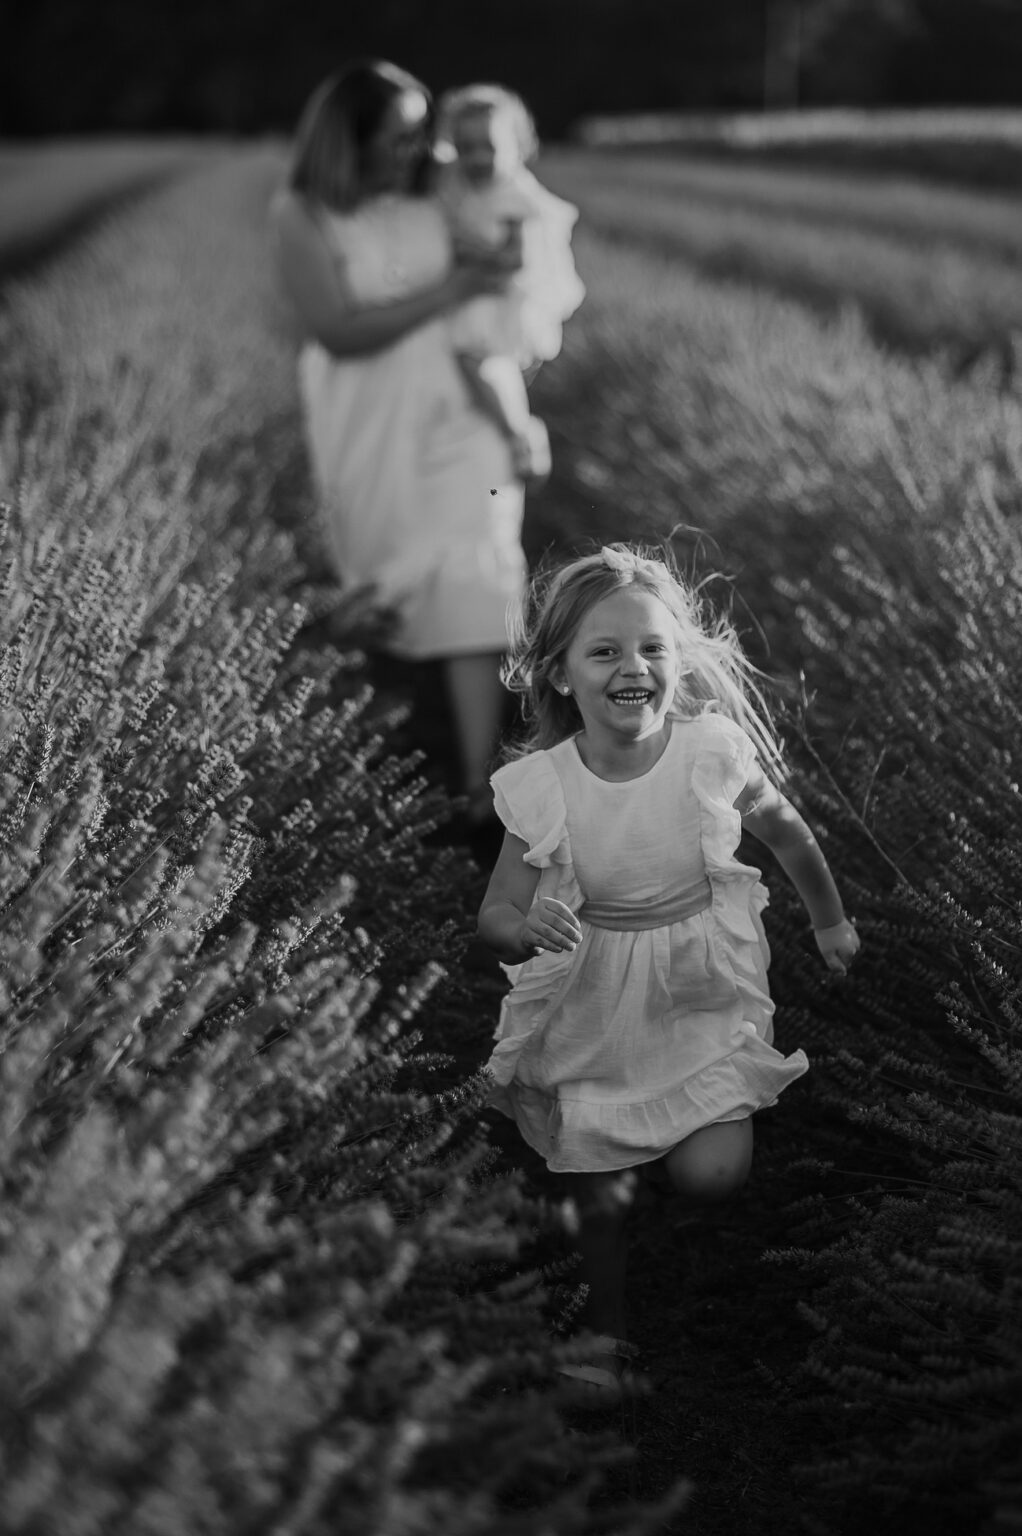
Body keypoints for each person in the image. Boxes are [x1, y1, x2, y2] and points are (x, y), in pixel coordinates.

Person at [476, 545, 861, 1402]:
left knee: (712, 1176)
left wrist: (830, 920)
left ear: (677, 661)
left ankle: (665, 1150)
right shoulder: (544, 787)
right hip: (593, 994)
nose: (633, 667)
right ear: (562, 675)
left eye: (651, 648)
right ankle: (600, 1339)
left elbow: (789, 835)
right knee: (594, 1175)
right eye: (604, 652)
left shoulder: (707, 753)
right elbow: (494, 915)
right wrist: (522, 924)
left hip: (695, 984)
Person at [271, 60, 528, 824]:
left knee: (477, 562)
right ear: (348, 138)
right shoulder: (302, 211)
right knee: (381, 580)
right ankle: (362, 762)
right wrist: (454, 287)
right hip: (368, 408)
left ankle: (483, 784)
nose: (419, 150)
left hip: (463, 406)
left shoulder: (435, 185)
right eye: (400, 136)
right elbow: (338, 330)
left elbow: (514, 203)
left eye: (423, 133)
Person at [433, 83, 585, 487]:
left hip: (501, 298)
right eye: (465, 147)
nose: (477, 157)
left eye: (488, 146)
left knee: (476, 361)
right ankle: (510, 433)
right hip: (478, 293)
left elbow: (514, 260)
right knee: (471, 366)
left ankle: (520, 432)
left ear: (517, 145)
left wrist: (468, 251)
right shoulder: (464, 184)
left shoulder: (515, 194)